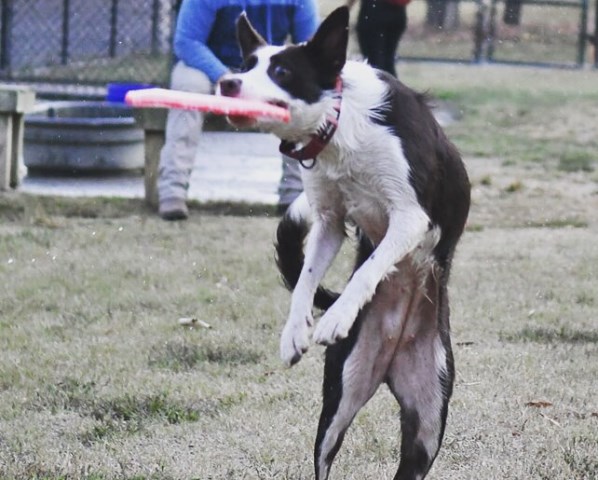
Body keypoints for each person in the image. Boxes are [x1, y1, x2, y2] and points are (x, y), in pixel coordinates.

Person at [158, 0, 319, 220]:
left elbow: (309, 46)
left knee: (300, 90)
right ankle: (172, 192)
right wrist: (225, 77)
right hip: (211, 69)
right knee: (188, 84)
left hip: (265, 73)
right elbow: (187, 42)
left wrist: (269, 78)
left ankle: (294, 195)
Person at [349, 0, 409, 78]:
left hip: (374, 10)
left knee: (373, 61)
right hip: (398, 12)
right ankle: (392, 87)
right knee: (388, 61)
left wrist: (347, 7)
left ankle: (378, 86)